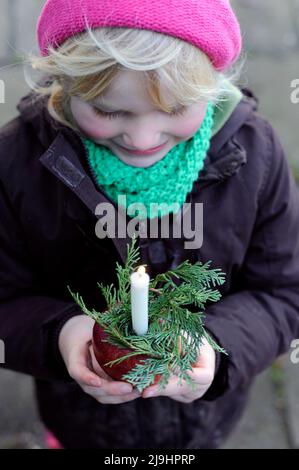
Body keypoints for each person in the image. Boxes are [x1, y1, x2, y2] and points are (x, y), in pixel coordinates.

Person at [0, 0, 299, 449]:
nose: (142, 139)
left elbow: (285, 290)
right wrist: (61, 333)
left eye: (175, 107)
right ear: (64, 86)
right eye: (108, 111)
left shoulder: (253, 156)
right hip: (80, 416)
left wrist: (218, 348)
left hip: (204, 418)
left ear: (213, 85)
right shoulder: (21, 162)